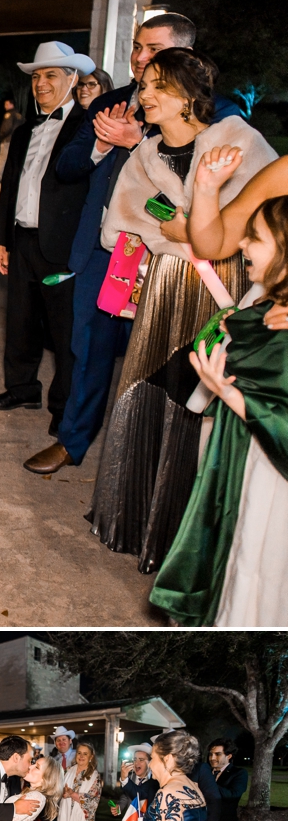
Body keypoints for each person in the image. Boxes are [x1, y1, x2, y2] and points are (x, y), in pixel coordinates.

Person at [27, 14, 240, 480]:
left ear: (184, 55)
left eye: (154, 50)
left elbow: (215, 182)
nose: (141, 59)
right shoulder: (110, 102)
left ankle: (153, 463)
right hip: (104, 251)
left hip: (170, 260)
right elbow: (65, 168)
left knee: (164, 360)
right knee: (88, 349)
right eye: (137, 48)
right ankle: (72, 441)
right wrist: (104, 146)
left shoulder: (219, 112)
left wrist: (140, 140)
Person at [89, 49, 274, 568]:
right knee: (146, 386)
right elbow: (128, 218)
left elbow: (253, 228)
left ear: (190, 96)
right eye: (144, 85)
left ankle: (181, 531)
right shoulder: (145, 154)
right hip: (166, 281)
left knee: (201, 396)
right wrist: (164, 230)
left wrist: (190, 225)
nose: (144, 95)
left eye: (157, 87)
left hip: (220, 284)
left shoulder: (240, 143)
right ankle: (129, 516)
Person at [151, 194, 288, 626]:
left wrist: (231, 395)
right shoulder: (272, 309)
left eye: (256, 238)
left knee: (260, 568)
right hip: (244, 460)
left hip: (273, 483)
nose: (244, 245)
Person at [0, 42, 95, 431]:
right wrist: (2, 239)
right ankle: (21, 388)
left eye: (51, 75)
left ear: (72, 79)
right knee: (20, 321)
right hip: (23, 240)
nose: (41, 83)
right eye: (36, 76)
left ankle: (63, 409)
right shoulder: (24, 131)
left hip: (62, 247)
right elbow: (10, 188)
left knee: (65, 330)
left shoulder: (89, 129)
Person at [0, 95, 22, 181]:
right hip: (17, 141)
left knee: (3, 158)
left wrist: (1, 136)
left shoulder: (9, 114)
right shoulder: (19, 115)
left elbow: (6, 128)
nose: (5, 106)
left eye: (6, 104)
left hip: (8, 140)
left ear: (11, 105)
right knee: (14, 159)